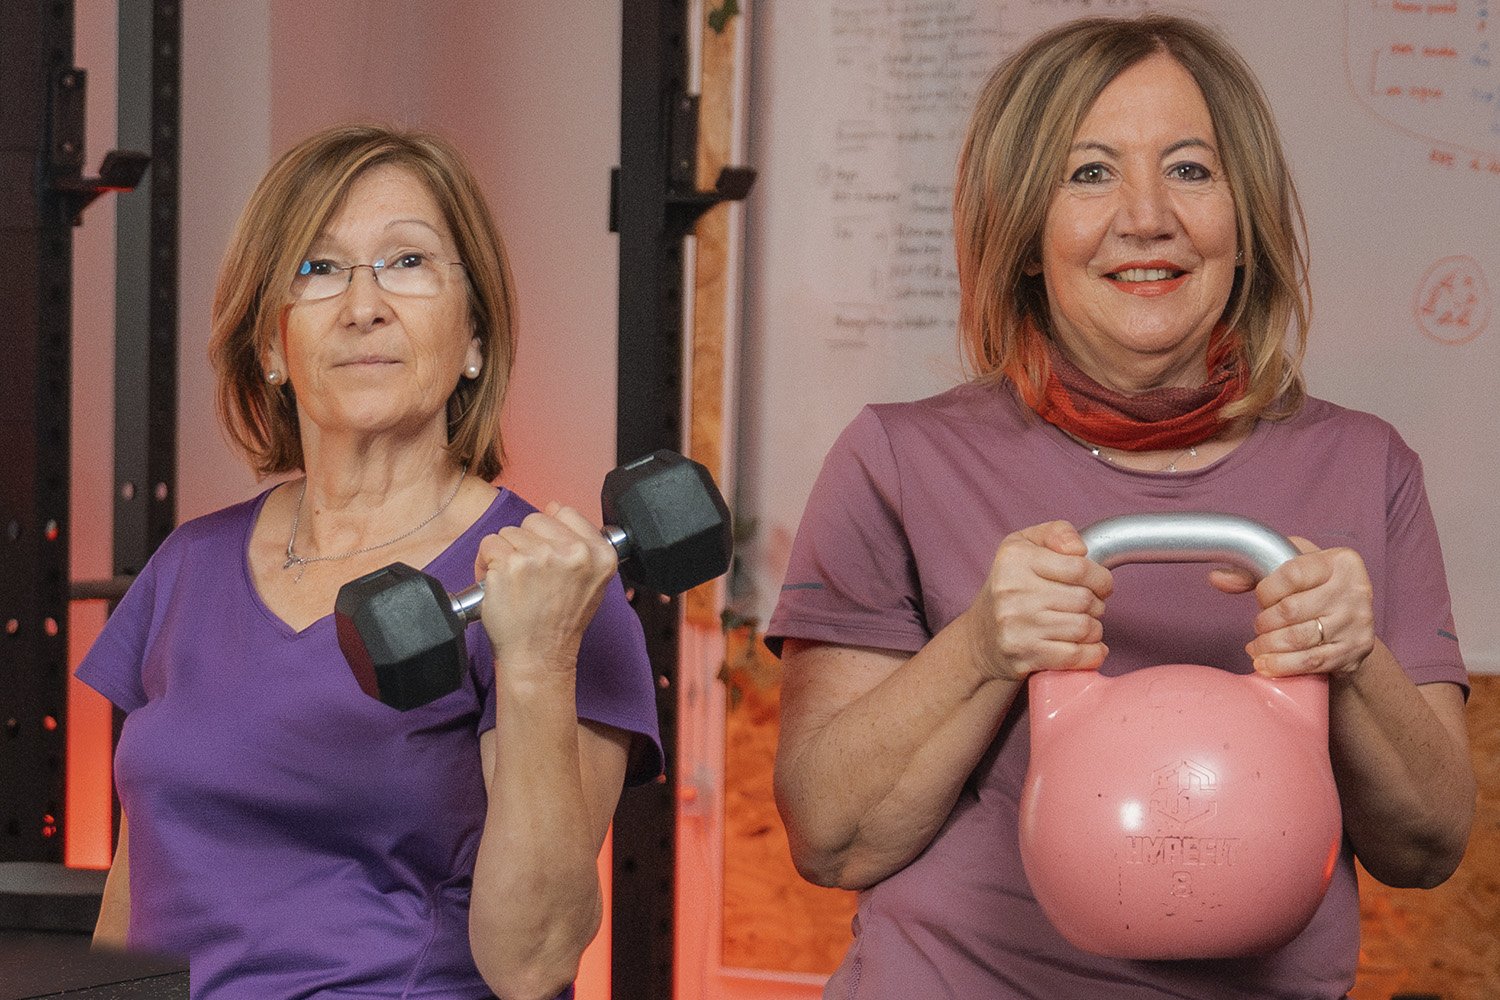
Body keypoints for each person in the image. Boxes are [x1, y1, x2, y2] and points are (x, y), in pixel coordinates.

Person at [768, 14, 1474, 1000]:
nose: (1147, 217)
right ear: (1022, 233)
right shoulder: (896, 457)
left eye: (1190, 170)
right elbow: (831, 837)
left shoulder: (1367, 466)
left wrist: (1356, 663)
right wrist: (980, 648)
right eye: (1088, 173)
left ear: (1248, 218)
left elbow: (1427, 846)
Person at [78, 124, 662, 1000]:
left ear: (473, 338)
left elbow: (533, 962)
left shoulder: (547, 587)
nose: (363, 306)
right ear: (272, 347)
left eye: (407, 262)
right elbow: (137, 892)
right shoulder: (188, 566)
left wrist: (536, 659)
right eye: (317, 270)